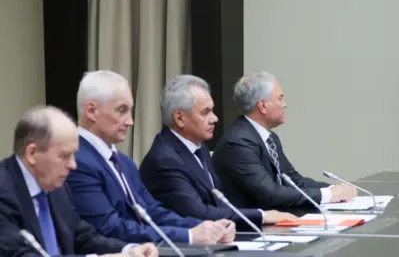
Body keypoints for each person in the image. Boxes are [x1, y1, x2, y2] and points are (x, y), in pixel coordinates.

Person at [66, 70, 235, 245]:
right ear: (92, 111)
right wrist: (189, 236)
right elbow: (110, 228)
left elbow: (153, 212)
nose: (130, 121)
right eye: (121, 110)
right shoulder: (77, 162)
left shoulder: (124, 162)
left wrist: (207, 227)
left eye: (130, 111)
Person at [140, 75, 297, 230]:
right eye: (205, 112)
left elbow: (220, 202)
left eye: (212, 111)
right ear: (180, 118)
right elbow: (198, 213)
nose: (214, 118)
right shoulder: (165, 160)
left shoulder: (199, 148)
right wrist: (262, 216)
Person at [0, 105, 158, 257]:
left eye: (74, 155)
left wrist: (128, 250)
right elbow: (17, 254)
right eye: (64, 156)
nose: (73, 165)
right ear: (32, 153)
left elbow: (83, 237)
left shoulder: (56, 188)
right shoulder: (4, 191)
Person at [212, 71, 357, 209]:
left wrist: (334, 189)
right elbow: (270, 193)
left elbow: (294, 181)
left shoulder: (269, 137)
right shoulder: (238, 142)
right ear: (262, 106)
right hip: (248, 228)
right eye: (280, 98)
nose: (285, 104)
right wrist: (328, 195)